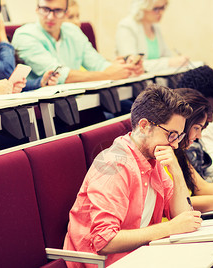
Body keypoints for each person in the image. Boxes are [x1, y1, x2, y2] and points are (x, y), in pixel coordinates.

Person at [63, 85, 202, 267]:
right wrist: (169, 227)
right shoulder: (114, 164)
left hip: (139, 256)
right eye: (172, 135)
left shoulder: (153, 159)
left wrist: (175, 170)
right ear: (144, 126)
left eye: (179, 136)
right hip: (105, 263)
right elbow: (104, 240)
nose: (175, 145)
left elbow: (184, 217)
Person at [12, 0, 143, 84]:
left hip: (81, 100)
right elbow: (58, 75)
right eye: (45, 9)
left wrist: (127, 68)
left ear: (66, 12)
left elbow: (98, 64)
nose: (51, 17)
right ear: (37, 9)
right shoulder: (24, 35)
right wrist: (108, 74)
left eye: (57, 11)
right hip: (45, 107)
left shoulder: (72, 30)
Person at [115, 0, 189, 72]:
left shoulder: (155, 27)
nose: (161, 13)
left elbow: (167, 57)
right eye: (156, 9)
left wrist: (178, 61)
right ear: (142, 6)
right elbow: (132, 66)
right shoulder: (126, 27)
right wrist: (169, 62)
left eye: (163, 7)